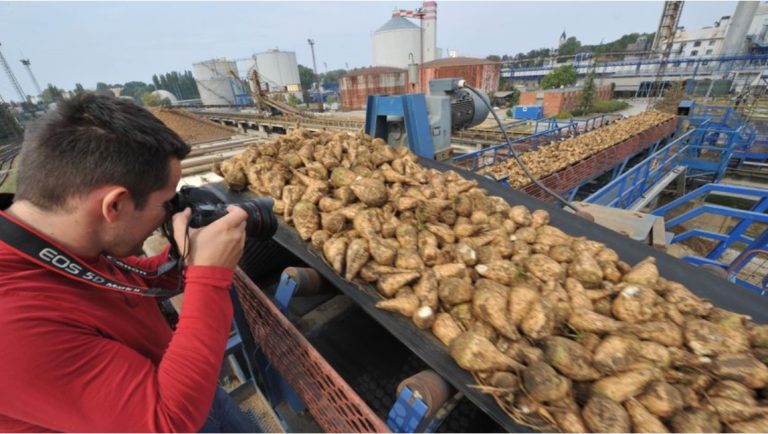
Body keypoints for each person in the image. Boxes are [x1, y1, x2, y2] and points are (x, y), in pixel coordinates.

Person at [0, 93, 259, 432]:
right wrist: (208, 277)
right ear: (115, 205)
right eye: (166, 202)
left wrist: (183, 256)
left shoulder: (48, 238)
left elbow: (121, 283)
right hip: (170, 411)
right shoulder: (12, 324)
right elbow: (166, 423)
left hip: (184, 383)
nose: (169, 212)